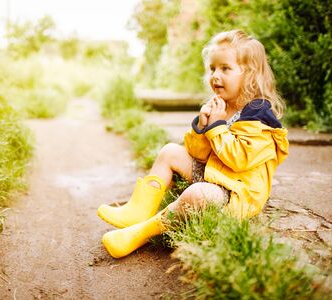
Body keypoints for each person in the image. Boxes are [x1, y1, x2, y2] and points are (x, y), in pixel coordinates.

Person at [97, 29, 289, 259]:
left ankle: (142, 233)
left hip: (238, 192)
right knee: (170, 151)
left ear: (248, 74)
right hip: (216, 173)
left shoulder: (259, 114)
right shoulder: (221, 105)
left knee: (197, 194)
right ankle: (137, 211)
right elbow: (196, 153)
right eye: (213, 69)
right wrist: (202, 125)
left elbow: (239, 160)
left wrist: (217, 127)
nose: (216, 75)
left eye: (225, 68)